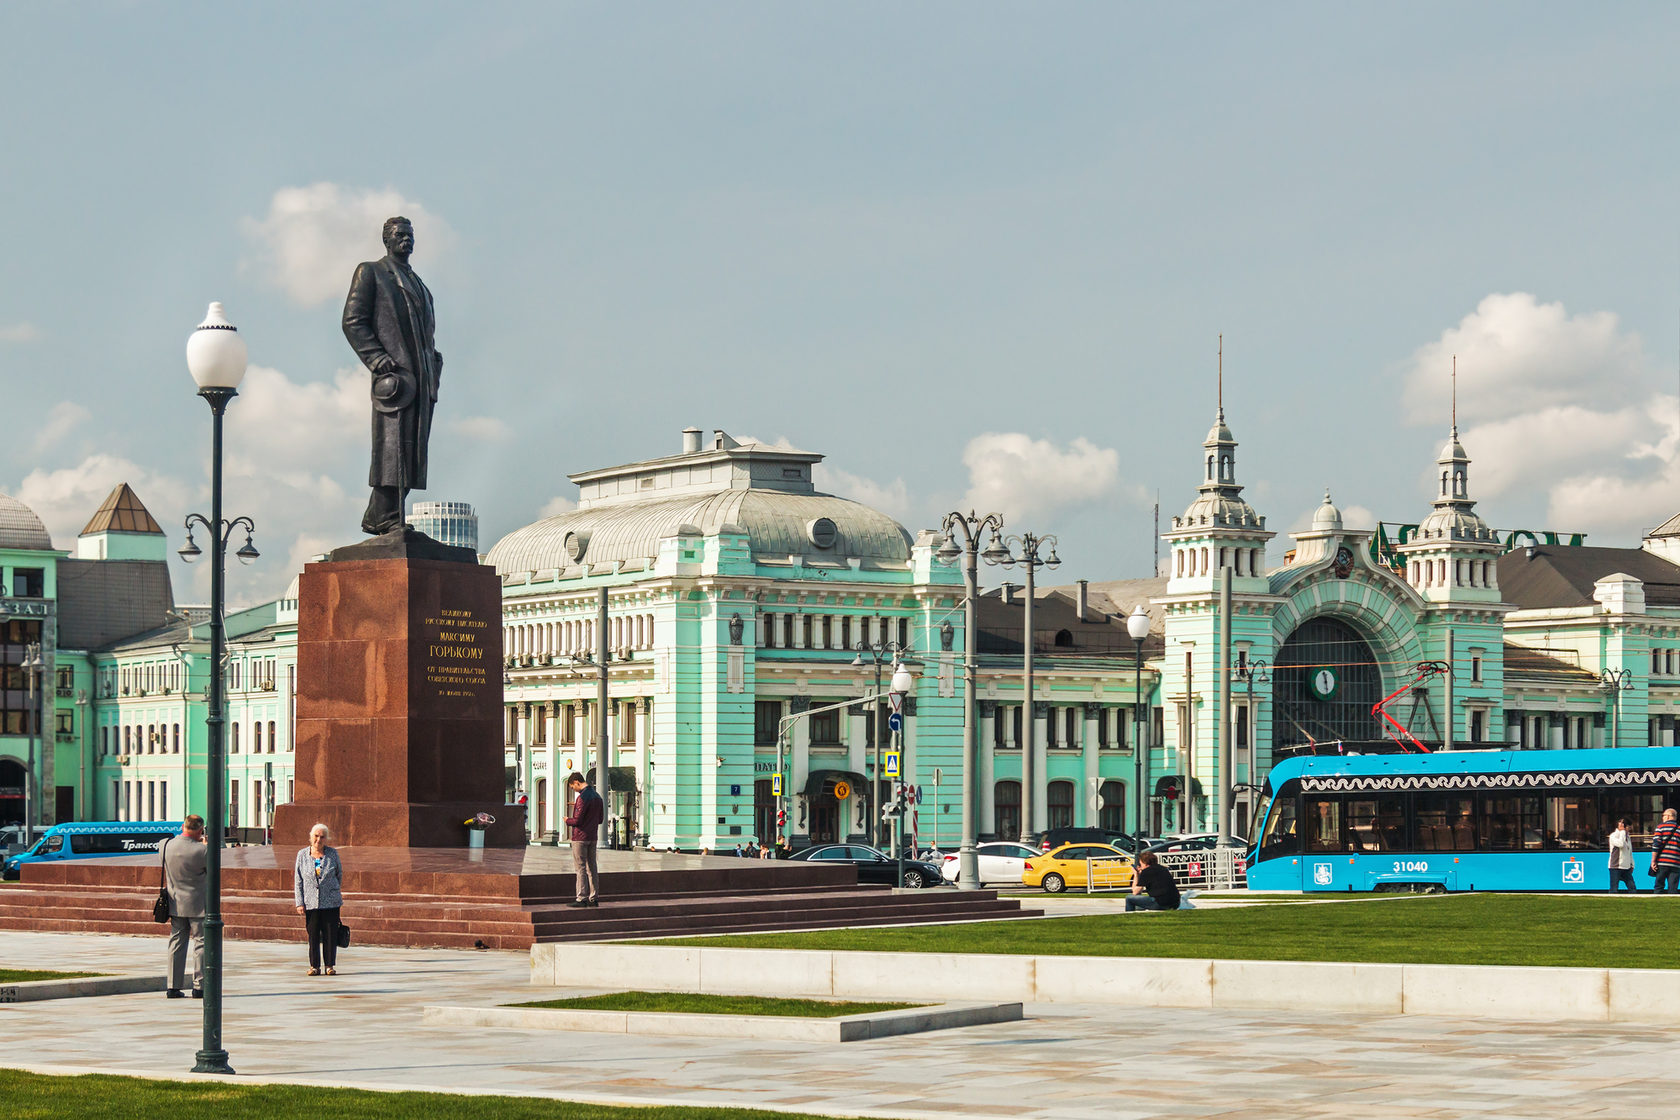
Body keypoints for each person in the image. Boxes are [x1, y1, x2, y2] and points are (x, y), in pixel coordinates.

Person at [341, 216, 443, 536]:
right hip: (395, 379)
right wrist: (376, 358)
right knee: (393, 447)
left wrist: (434, 367)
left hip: (422, 379)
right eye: (400, 235)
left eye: (410, 235)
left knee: (412, 451)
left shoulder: (421, 286)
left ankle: (386, 514)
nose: (406, 240)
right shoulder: (371, 272)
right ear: (386, 239)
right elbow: (353, 320)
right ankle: (384, 516)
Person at [162, 815, 207, 999]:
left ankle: (173, 986)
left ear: (182, 826)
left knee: (176, 942)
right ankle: (200, 986)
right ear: (200, 831)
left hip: (175, 903)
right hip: (198, 904)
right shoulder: (202, 851)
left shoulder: (165, 845)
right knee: (202, 942)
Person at [293, 823, 344, 975]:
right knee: (313, 934)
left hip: (330, 902)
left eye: (322, 837)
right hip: (310, 902)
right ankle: (314, 966)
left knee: (330, 933)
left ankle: (329, 966)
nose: (318, 840)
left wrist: (331, 890)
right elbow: (298, 880)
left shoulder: (332, 854)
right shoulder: (302, 855)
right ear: (311, 837)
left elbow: (339, 874)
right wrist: (299, 902)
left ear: (326, 839)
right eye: (316, 836)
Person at [564, 772, 603, 907]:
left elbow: (578, 820)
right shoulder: (598, 796)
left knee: (580, 867)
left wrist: (567, 820)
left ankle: (581, 898)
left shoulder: (582, 798)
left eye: (572, 787)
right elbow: (601, 819)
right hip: (593, 836)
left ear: (576, 782)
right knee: (592, 867)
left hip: (580, 837)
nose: (573, 789)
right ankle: (594, 897)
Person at [1651, 809, 1680, 892]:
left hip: (1662, 862)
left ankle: (1656, 904)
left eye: (1663, 815)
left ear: (1668, 816)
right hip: (1676, 863)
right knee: (1673, 888)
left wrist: (1653, 861)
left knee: (1659, 886)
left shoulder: (1660, 827)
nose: (1662, 817)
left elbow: (1656, 845)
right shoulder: (1679, 829)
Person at [1608, 818, 1637, 892]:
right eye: (1627, 826)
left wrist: (1632, 864)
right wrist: (1622, 832)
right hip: (1616, 866)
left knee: (1632, 887)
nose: (1629, 829)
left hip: (1626, 867)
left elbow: (1629, 852)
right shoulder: (1613, 836)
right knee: (1614, 888)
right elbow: (1620, 844)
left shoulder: (1628, 837)